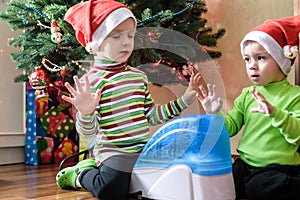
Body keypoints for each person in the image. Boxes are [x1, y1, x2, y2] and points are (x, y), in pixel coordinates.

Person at [55, 0, 202, 199]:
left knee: (177, 172)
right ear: (94, 44)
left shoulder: (138, 77)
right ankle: (82, 174)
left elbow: (150, 115)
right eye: (116, 36)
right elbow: (88, 132)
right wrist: (86, 112)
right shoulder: (89, 83)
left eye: (130, 36)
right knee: (111, 189)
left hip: (143, 149)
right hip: (113, 154)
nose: (126, 42)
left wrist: (185, 99)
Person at [197, 15, 300, 200]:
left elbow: (296, 134)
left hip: (276, 167)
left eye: (260, 58)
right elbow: (229, 128)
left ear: (281, 60)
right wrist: (214, 113)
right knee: (221, 182)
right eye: (247, 59)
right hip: (245, 165)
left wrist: (275, 113)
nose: (252, 66)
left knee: (258, 188)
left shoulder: (295, 96)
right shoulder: (247, 94)